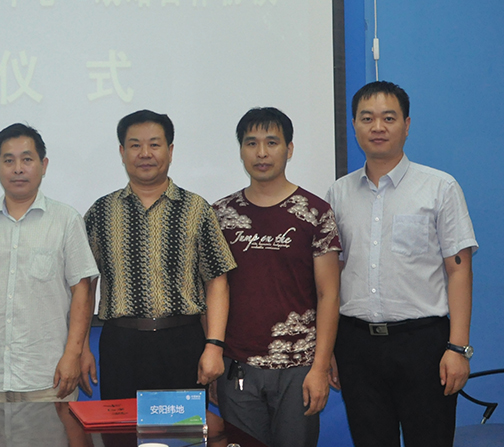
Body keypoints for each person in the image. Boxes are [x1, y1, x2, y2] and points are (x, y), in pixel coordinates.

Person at [327, 81, 477, 447]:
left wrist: (458, 348)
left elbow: (459, 270)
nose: (377, 127)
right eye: (367, 118)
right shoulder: (338, 194)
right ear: (354, 125)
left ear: (406, 125)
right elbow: (332, 276)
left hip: (424, 345)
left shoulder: (439, 188)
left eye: (388, 118)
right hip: (356, 345)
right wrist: (329, 348)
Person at [211, 107, 341, 447]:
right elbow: (211, 292)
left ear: (289, 148)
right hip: (237, 365)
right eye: (251, 143)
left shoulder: (316, 213)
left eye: (272, 142)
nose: (262, 153)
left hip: (299, 368)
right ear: (241, 150)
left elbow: (329, 295)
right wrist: (213, 358)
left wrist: (320, 367)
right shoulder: (220, 215)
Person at [84, 109, 236, 399]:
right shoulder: (101, 212)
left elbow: (217, 281)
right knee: (123, 426)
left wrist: (214, 345)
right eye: (135, 145)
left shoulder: (196, 209)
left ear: (170, 151)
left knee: (183, 427)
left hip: (183, 343)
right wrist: (81, 348)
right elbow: (85, 285)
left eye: (154, 144)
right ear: (122, 152)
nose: (145, 153)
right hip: (120, 344)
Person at [0, 123, 98, 403]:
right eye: (9, 161)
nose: (18, 169)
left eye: (27, 159)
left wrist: (73, 353)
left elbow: (82, 290)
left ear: (43, 165)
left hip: (49, 376)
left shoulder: (66, 220)